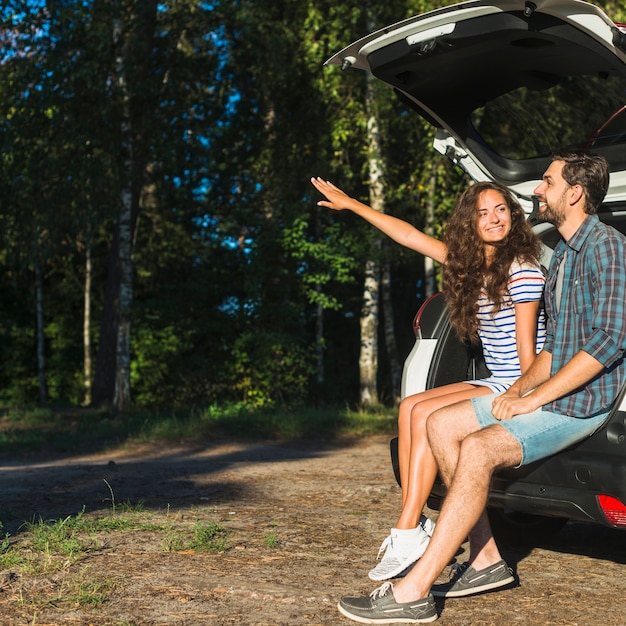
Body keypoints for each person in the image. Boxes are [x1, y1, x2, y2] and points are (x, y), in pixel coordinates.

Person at [336, 148, 626, 624]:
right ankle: (486, 557)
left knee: (475, 450)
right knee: (440, 423)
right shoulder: (567, 259)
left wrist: (534, 395)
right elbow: (552, 351)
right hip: (551, 393)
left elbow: (609, 340)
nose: (536, 189)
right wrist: (517, 392)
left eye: (547, 182)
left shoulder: (608, 247)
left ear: (574, 193)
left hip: (584, 404)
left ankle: (413, 591)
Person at [310, 176, 546, 580]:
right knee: (410, 406)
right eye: (482, 214)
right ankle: (412, 526)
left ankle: (407, 528)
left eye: (500, 210)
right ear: (470, 224)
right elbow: (408, 235)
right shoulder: (473, 267)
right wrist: (354, 206)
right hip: (497, 378)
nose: (493, 219)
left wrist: (526, 402)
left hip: (520, 383)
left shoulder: (522, 271)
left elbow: (529, 348)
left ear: (513, 215)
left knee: (424, 416)